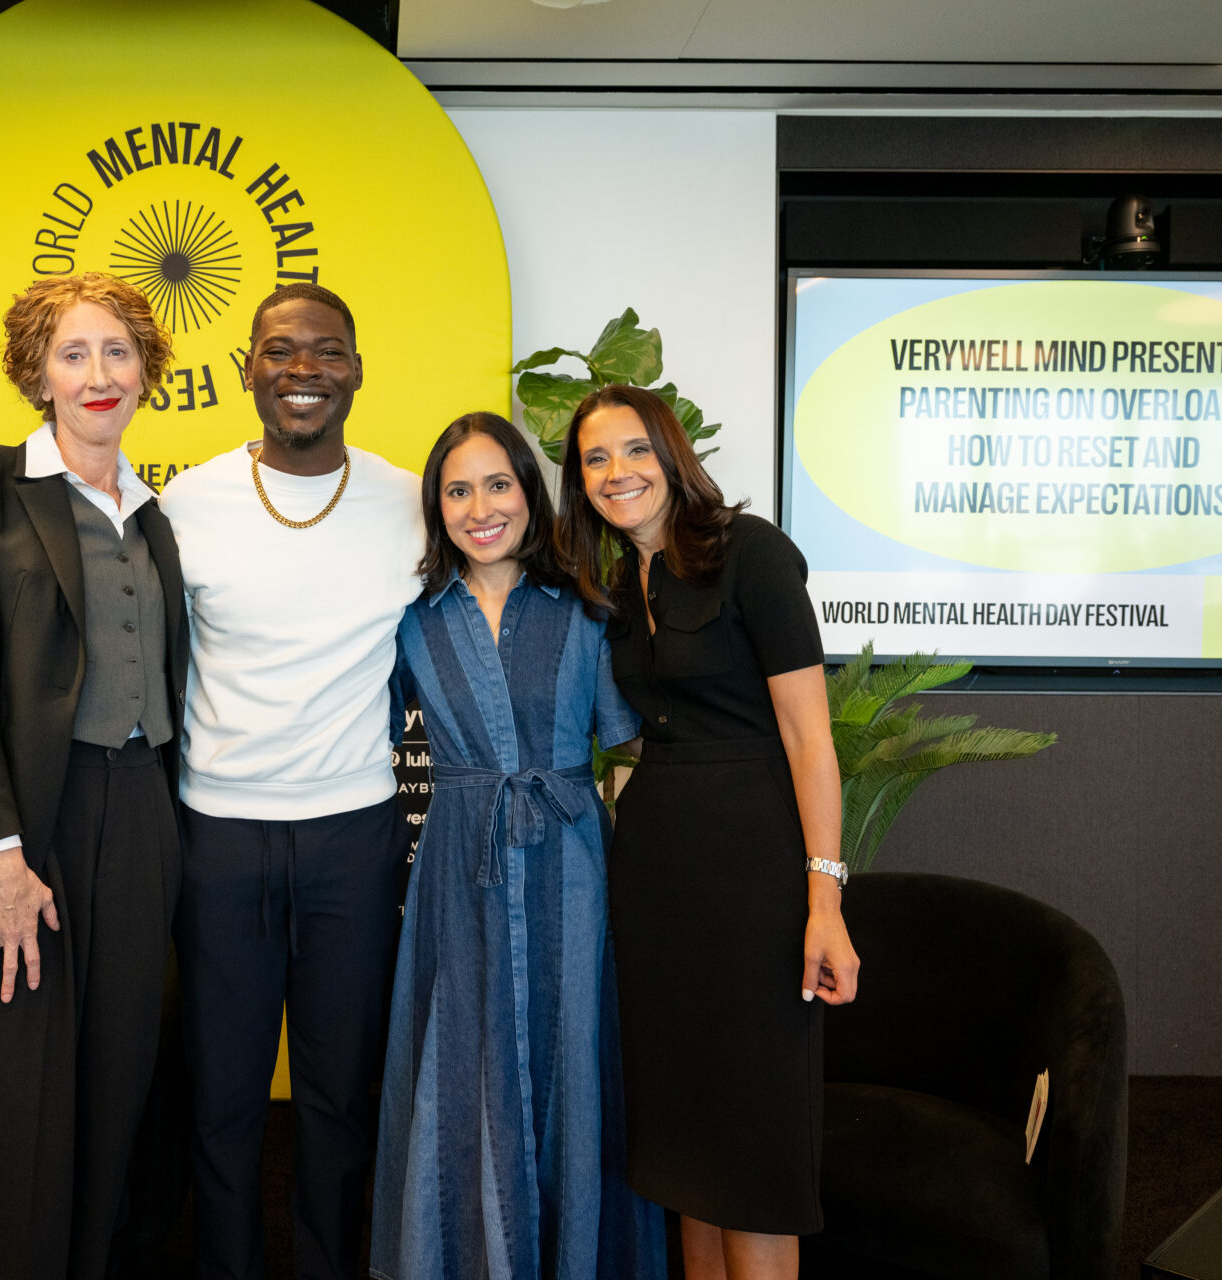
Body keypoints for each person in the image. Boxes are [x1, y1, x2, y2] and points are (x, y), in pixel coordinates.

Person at [0, 272, 188, 1280]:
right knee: (11, 1104)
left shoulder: (156, 516)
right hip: (21, 824)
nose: (99, 375)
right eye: (73, 352)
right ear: (36, 372)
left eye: (118, 351)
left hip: (141, 810)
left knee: (115, 1091)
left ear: (147, 369)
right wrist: (1, 856)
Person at [558, 383, 860, 1280]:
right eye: (596, 459)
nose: (618, 473)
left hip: (755, 873)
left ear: (672, 455)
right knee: (684, 1148)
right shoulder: (618, 578)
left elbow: (811, 739)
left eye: (635, 450)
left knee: (751, 1150)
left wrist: (825, 901)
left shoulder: (752, 554)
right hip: (657, 875)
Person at [158, 283, 423, 1280]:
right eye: (280, 350)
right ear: (245, 369)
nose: (302, 369)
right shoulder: (188, 502)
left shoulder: (409, 499)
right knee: (221, 1097)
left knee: (337, 1096)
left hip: (353, 837)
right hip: (217, 838)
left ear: (357, 367)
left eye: (325, 350)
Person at [370, 413, 668, 1280]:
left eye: (498, 483)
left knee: (574, 1059)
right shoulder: (414, 623)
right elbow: (382, 740)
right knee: (460, 1063)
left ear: (530, 496)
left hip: (575, 861)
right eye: (457, 491)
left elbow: (623, 748)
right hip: (458, 864)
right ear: (438, 509)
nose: (480, 507)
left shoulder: (588, 611)